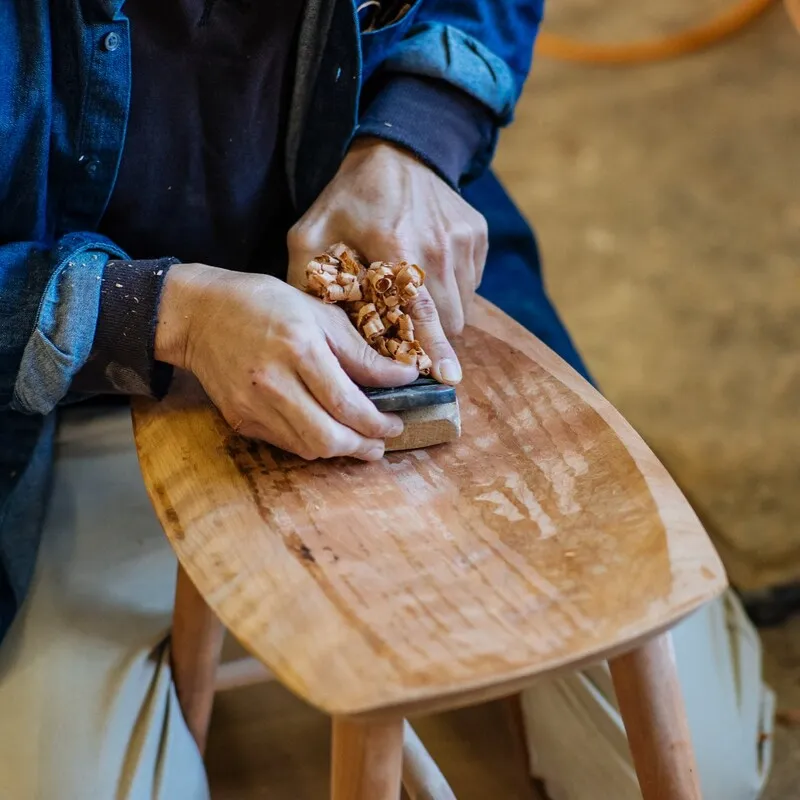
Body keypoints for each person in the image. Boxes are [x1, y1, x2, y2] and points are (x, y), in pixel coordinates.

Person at [0, 1, 773, 798]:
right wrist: (166, 317)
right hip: (74, 381)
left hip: (391, 247)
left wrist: (417, 134)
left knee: (706, 771)